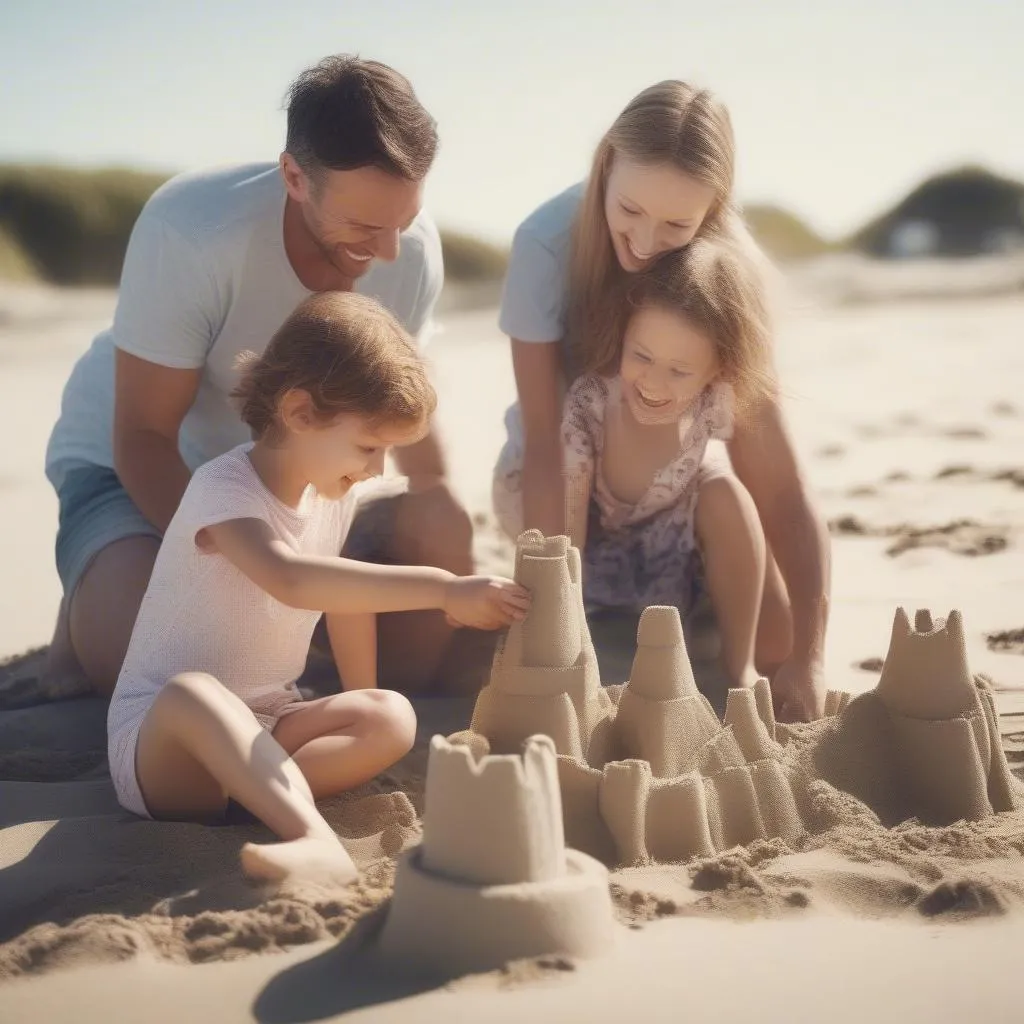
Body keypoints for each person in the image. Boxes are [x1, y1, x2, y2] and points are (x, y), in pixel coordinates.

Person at [43, 54, 471, 702]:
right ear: (294, 177)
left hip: (302, 480)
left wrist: (440, 520)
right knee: (166, 667)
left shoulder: (407, 252)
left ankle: (306, 662)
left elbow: (402, 423)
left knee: (442, 538)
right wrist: (262, 573)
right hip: (143, 470)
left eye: (402, 223)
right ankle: (85, 609)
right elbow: (142, 438)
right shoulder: (193, 231)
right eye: (363, 226)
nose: (387, 252)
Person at [107, 291, 530, 883]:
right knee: (193, 693)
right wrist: (443, 589)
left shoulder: (333, 495)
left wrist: (358, 699)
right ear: (300, 412)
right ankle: (311, 835)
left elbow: (340, 598)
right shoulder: (222, 491)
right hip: (165, 747)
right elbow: (292, 580)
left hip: (273, 720)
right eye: (369, 447)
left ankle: (261, 792)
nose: (378, 469)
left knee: (391, 716)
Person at [492, 81, 831, 721]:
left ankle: (682, 613)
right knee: (565, 643)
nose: (645, 244)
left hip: (667, 483)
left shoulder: (731, 271)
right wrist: (554, 633)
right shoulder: (544, 243)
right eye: (630, 211)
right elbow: (544, 445)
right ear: (604, 166)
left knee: (779, 637)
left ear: (714, 210)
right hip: (564, 478)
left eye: (678, 225)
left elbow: (781, 486)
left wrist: (808, 660)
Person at [562, 238, 774, 692]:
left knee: (726, 492)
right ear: (624, 334)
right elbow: (570, 521)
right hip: (602, 563)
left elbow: (730, 487)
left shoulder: (716, 401)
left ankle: (740, 665)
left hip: (676, 559)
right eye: (641, 356)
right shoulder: (591, 403)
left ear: (718, 370)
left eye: (679, 371)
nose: (654, 382)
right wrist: (564, 630)